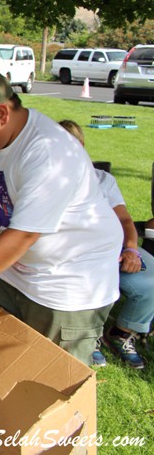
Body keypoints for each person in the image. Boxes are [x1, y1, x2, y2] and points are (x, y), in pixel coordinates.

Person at [0, 70, 122, 366]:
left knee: (48, 378)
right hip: (16, 273)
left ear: (2, 113)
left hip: (67, 285)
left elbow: (25, 235)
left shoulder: (48, 151)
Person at [59, 120, 152, 369]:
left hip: (116, 250)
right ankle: (91, 338)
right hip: (78, 255)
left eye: (75, 144)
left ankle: (122, 333)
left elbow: (124, 219)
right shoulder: (50, 180)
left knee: (152, 274)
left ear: (82, 145)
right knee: (93, 276)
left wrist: (132, 248)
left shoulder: (102, 180)